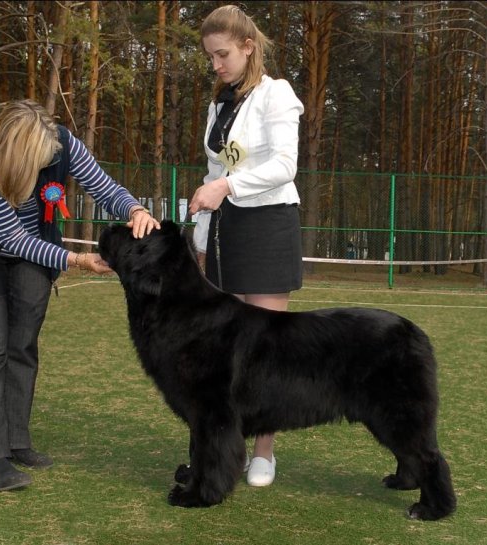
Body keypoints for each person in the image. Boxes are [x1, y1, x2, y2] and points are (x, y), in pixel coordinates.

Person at [0, 99, 160, 491]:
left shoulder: (62, 142)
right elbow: (10, 237)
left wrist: (134, 210)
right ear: (17, 156)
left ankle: (15, 440)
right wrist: (76, 259)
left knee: (23, 344)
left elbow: (103, 186)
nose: (49, 163)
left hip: (36, 250)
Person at [189, 5, 304, 487]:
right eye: (210, 57)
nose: (216, 65)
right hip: (223, 232)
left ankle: (264, 451)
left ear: (248, 47)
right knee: (223, 350)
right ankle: (224, 448)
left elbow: (284, 165)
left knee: (265, 349)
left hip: (268, 226)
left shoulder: (276, 94)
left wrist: (227, 189)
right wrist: (199, 235)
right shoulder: (221, 103)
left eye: (223, 55)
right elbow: (218, 171)